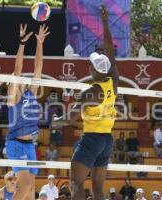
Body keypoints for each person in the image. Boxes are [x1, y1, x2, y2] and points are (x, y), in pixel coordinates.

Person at [63, 5, 119, 200]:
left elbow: (69, 120)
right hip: (106, 140)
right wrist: (105, 22)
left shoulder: (89, 93)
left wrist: (52, 120)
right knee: (97, 189)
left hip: (91, 139)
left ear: (91, 68)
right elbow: (111, 49)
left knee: (75, 184)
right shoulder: (113, 81)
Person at [5, 24, 49, 200]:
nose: (20, 79)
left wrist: (39, 43)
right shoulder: (13, 98)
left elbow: (38, 68)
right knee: (26, 185)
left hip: (30, 145)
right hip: (16, 144)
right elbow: (17, 69)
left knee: (31, 189)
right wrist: (22, 44)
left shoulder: (31, 91)